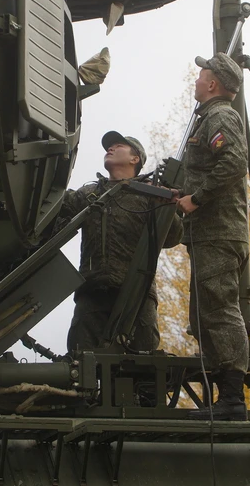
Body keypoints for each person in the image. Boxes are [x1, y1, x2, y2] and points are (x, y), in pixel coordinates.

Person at [175, 52, 250, 421]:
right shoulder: (210, 117)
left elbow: (235, 161)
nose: (196, 79)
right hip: (209, 233)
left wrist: (198, 198)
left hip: (219, 231)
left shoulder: (219, 116)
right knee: (204, 314)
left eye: (201, 74)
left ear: (213, 83)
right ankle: (223, 397)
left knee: (219, 309)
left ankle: (232, 399)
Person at [61, 132, 183, 354]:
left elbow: (173, 237)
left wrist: (165, 205)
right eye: (109, 146)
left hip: (137, 297)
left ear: (135, 159)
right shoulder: (90, 194)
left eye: (118, 146)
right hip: (92, 293)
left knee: (142, 369)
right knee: (80, 367)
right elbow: (56, 207)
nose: (110, 149)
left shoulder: (149, 194)